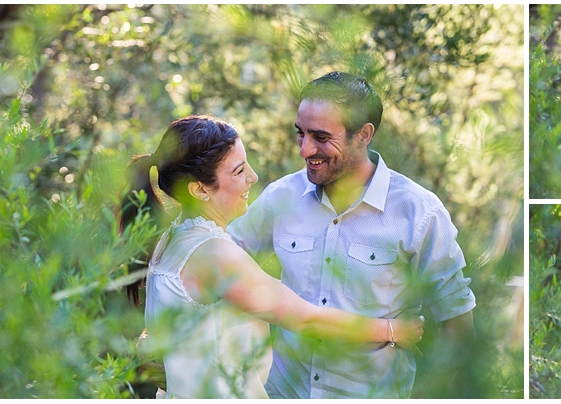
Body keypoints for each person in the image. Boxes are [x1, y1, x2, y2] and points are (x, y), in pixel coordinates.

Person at [119, 115, 425, 398]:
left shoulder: (172, 239)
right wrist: (396, 330)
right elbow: (307, 319)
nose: (252, 177)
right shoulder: (215, 255)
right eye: (239, 171)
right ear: (200, 189)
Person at [227, 71, 476, 398]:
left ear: (363, 135)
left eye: (320, 137)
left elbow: (457, 324)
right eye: (300, 134)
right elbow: (219, 257)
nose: (304, 149)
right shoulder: (281, 197)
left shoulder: (417, 212)